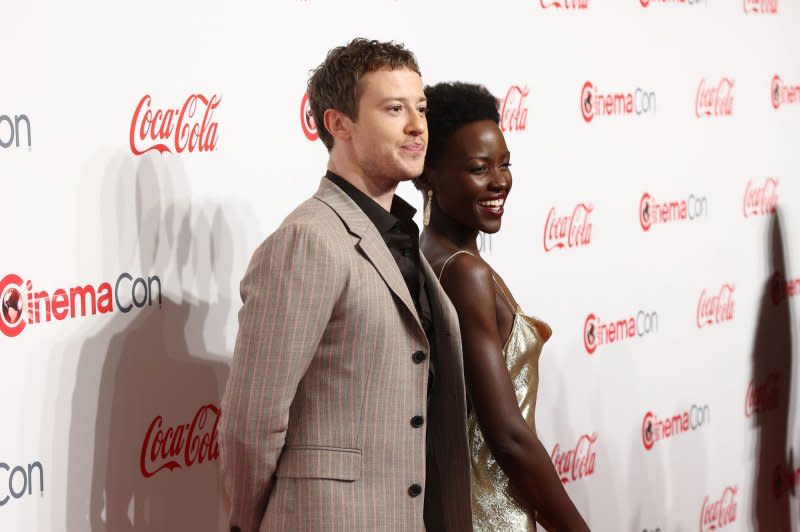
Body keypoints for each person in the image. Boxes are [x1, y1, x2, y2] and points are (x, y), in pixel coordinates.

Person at [219, 40, 472, 532]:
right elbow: (251, 421)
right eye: (394, 109)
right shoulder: (308, 240)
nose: (418, 126)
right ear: (339, 124)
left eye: (421, 109)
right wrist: (249, 524)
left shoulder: (401, 237)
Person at [416, 82, 590, 532]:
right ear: (429, 175)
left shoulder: (429, 253)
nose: (499, 181)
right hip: (491, 513)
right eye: (479, 168)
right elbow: (509, 438)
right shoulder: (465, 273)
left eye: (505, 163)